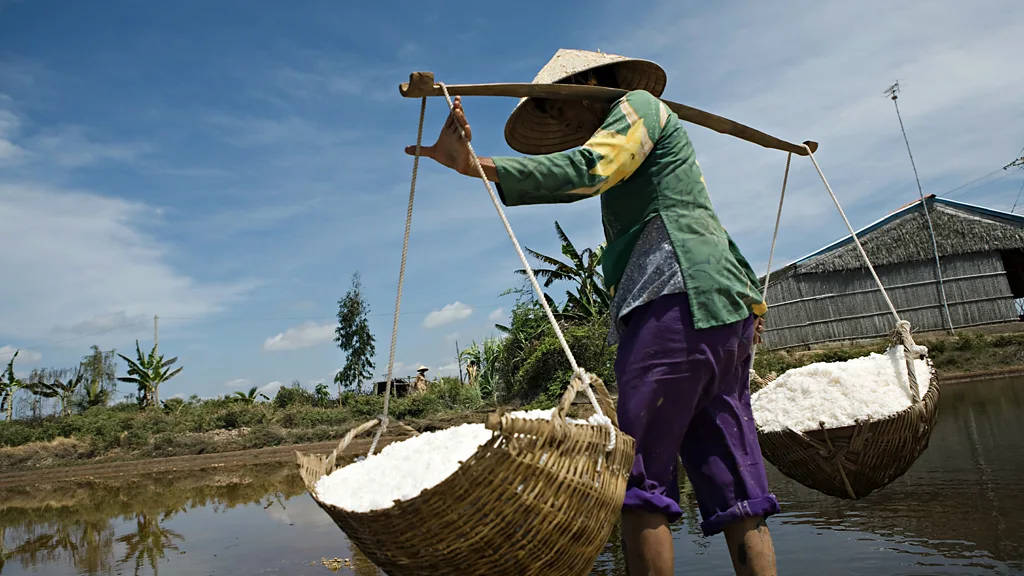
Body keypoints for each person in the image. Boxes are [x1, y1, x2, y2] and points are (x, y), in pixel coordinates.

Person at [406, 48, 777, 576]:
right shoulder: (655, 148)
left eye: (561, 108)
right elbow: (706, 226)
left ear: (592, 86)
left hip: (672, 304)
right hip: (719, 314)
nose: (563, 122)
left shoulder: (638, 106)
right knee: (737, 485)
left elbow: (589, 168)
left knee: (640, 481)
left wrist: (474, 166)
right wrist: (752, 304)